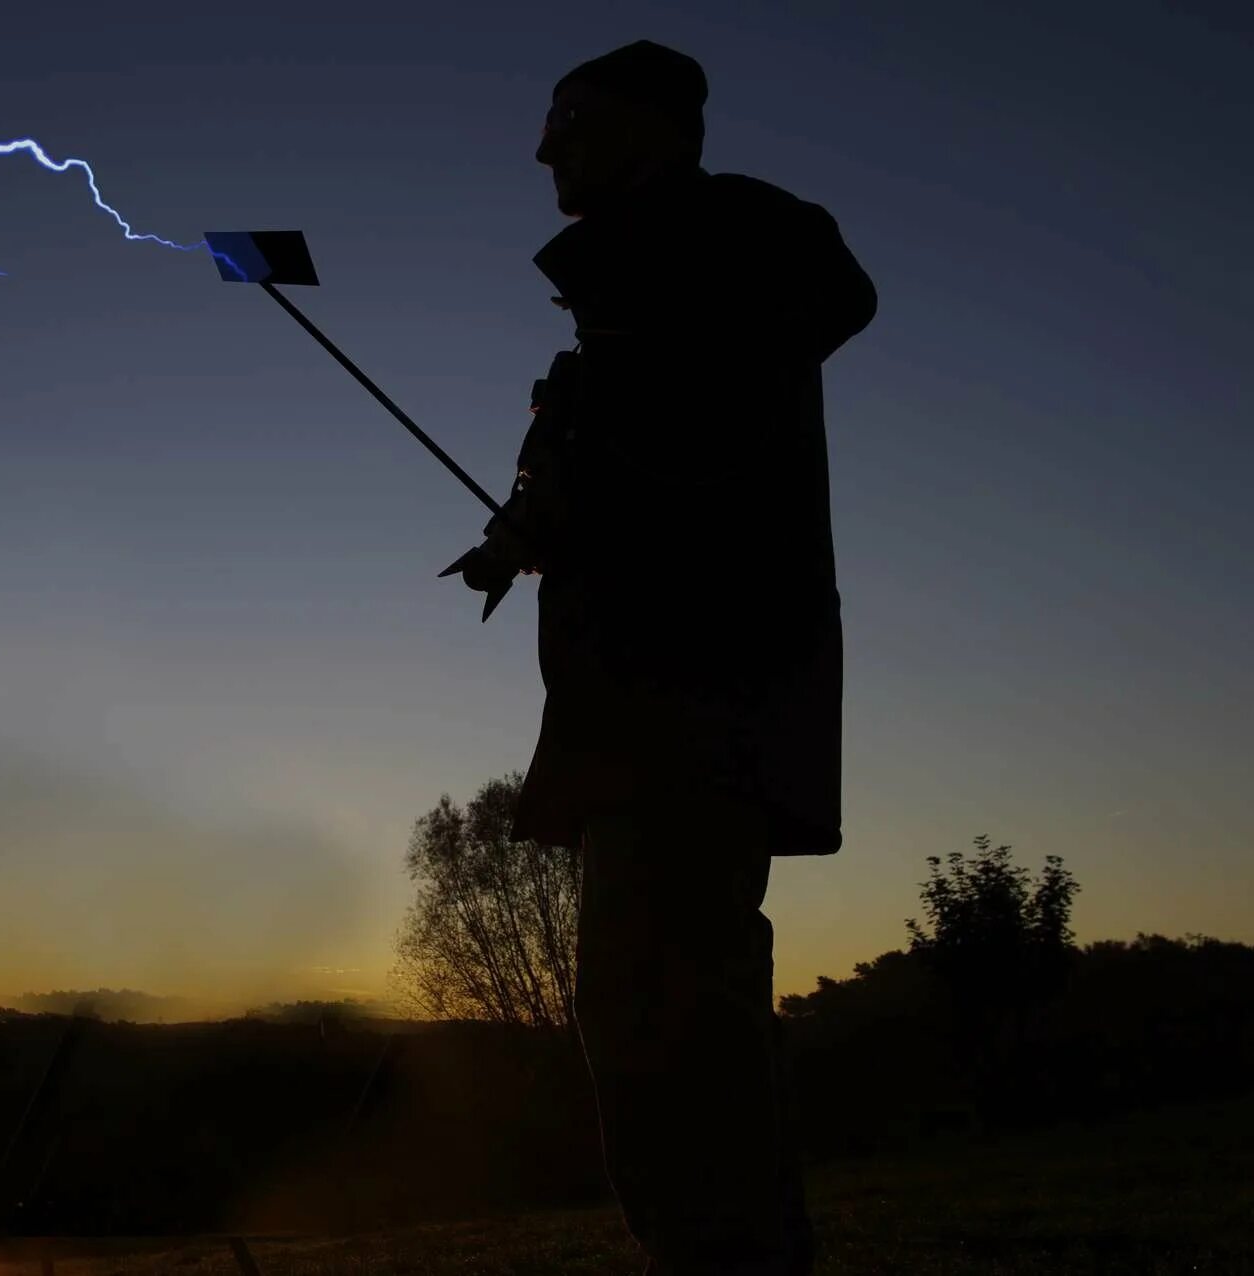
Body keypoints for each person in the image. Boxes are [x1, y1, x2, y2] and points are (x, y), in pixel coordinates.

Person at [443, 39, 878, 1276]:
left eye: (568, 121)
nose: (543, 150)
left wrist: (594, 480)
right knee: (641, 1006)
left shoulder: (733, 243)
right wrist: (518, 535)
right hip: (631, 708)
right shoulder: (619, 327)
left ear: (653, 126)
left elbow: (762, 357)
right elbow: (616, 462)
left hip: (701, 699)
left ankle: (731, 1256)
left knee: (670, 1005)